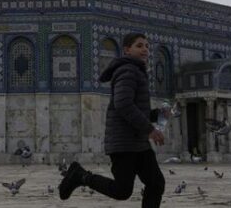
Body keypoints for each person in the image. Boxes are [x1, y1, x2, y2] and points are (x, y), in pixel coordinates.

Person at [58, 32, 166, 207]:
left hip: (137, 143)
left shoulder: (136, 71)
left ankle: (80, 175)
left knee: (156, 183)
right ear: (126, 50)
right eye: (139, 46)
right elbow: (123, 105)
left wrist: (158, 114)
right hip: (124, 143)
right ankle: (80, 176)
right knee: (122, 191)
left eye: (146, 46)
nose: (145, 49)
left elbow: (135, 108)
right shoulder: (128, 70)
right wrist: (150, 129)